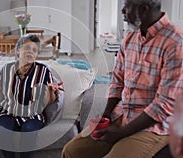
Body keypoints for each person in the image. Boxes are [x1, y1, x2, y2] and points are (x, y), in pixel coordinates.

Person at [62, 0, 183, 157]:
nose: (123, 11)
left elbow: (164, 105)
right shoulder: (130, 38)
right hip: (121, 115)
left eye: (127, 6)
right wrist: (106, 115)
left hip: (156, 126)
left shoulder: (175, 42)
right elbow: (117, 81)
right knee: (71, 152)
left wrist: (122, 133)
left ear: (144, 10)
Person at [0, 34, 64, 158]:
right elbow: (0, 93)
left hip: (33, 115)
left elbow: (50, 101)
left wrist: (51, 91)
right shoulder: (7, 69)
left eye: (34, 50)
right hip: (8, 112)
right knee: (3, 128)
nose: (30, 52)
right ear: (18, 50)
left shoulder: (43, 71)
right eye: (27, 48)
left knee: (29, 130)